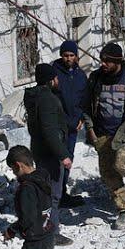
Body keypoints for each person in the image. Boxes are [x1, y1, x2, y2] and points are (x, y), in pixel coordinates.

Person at [82, 41, 125, 230]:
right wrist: (91, 131)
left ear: (118, 62)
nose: (103, 64)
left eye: (107, 61)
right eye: (101, 60)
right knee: (108, 174)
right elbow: (86, 105)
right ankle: (124, 210)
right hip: (103, 132)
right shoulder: (95, 78)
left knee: (122, 162)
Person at [23, 62, 71, 208]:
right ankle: (51, 228)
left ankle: (45, 225)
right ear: (50, 80)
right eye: (55, 78)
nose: (58, 80)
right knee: (53, 196)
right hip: (50, 153)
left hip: (39, 149)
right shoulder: (47, 99)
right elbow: (49, 129)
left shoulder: (35, 96)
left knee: (46, 191)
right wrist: (63, 155)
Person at [51, 41, 89, 205]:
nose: (68, 58)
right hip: (59, 126)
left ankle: (62, 193)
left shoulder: (80, 75)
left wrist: (81, 117)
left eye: (71, 55)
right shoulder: (54, 74)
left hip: (73, 126)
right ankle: (54, 195)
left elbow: (84, 98)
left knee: (68, 159)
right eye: (65, 55)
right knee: (57, 160)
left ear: (76, 56)